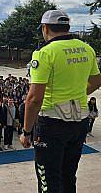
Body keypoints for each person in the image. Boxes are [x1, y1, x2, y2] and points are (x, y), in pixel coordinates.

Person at [20, 10, 100, 193]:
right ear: (67, 27)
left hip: (52, 124)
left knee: (48, 180)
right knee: (68, 177)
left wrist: (26, 131)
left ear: (45, 28)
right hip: (79, 122)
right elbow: (96, 80)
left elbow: (34, 99)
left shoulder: (44, 53)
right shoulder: (87, 49)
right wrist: (79, 92)